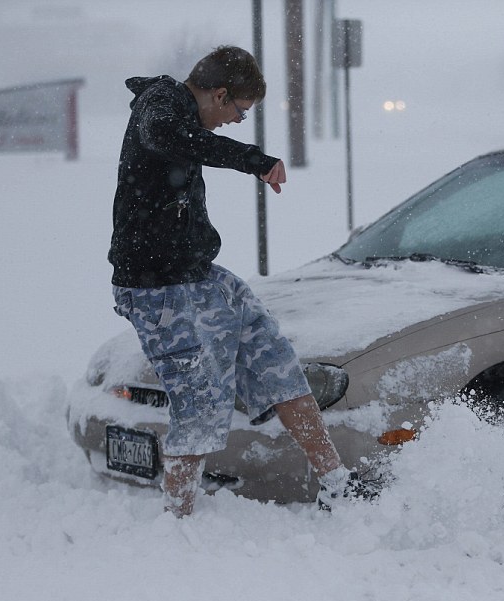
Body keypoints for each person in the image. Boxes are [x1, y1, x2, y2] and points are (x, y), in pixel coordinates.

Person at [109, 45, 361, 517]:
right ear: (219, 94)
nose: (235, 122)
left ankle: (337, 486)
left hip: (201, 278)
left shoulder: (183, 120)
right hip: (156, 288)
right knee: (200, 403)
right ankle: (178, 522)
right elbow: (168, 135)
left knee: (276, 360)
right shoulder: (159, 107)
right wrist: (252, 159)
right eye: (239, 111)